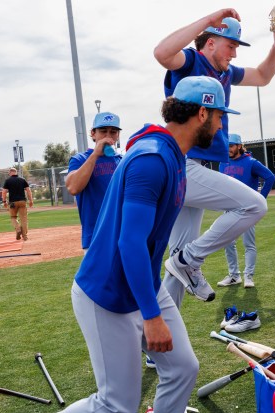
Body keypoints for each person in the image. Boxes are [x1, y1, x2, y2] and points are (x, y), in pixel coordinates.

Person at [62, 76, 235, 413]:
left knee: (183, 368)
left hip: (143, 282)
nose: (220, 125)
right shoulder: (152, 158)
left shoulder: (170, 154)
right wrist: (152, 316)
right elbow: (130, 243)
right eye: (219, 116)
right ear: (202, 113)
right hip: (107, 292)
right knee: (116, 404)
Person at [154, 9, 275, 305]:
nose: (235, 53)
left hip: (192, 166)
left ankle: (158, 348)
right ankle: (190, 258)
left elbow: (264, 76)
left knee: (176, 265)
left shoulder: (226, 73)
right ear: (211, 42)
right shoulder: (192, 61)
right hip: (185, 165)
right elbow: (162, 52)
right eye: (231, 45)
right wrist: (205, 21)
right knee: (254, 205)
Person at [218, 134, 275, 288]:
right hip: (229, 209)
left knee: (248, 244)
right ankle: (234, 276)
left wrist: (260, 199)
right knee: (228, 242)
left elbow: (270, 177)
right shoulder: (223, 163)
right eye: (227, 146)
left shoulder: (251, 162)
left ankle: (248, 276)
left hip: (248, 209)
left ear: (239, 146)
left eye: (231, 145)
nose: (228, 149)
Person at [66, 112, 123, 251]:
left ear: (118, 135)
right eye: (103, 131)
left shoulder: (122, 160)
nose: (108, 136)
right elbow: (73, 188)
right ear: (93, 133)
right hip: (95, 238)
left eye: (113, 132)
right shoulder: (80, 159)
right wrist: (95, 154)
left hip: (122, 235)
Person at [1, 168, 33, 240]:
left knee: (13, 217)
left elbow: (4, 192)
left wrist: (4, 201)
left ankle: (18, 229)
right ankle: (25, 236)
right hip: (22, 201)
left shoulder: (8, 181)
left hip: (12, 202)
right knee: (23, 219)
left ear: (10, 173)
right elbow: (28, 190)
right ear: (16, 172)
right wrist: (31, 200)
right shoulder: (22, 180)